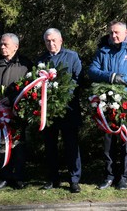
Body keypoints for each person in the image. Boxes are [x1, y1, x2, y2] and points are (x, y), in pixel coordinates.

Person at [88, 21, 127, 190]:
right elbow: (92, 71)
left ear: (126, 33)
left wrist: (123, 79)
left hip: (126, 105)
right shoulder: (103, 51)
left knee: (125, 142)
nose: (114, 36)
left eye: (117, 33)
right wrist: (111, 77)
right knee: (108, 143)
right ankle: (109, 176)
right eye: (112, 33)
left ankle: (124, 177)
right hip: (106, 104)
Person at [0, 33, 33, 190]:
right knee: (0, 143)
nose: (2, 47)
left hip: (17, 110)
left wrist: (12, 99)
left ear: (16, 46)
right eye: (1, 44)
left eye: (5, 44)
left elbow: (30, 87)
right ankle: (3, 176)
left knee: (18, 144)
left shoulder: (25, 65)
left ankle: (18, 177)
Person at [37, 28, 83, 193]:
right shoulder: (41, 60)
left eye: (54, 40)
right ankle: (52, 178)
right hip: (48, 111)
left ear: (61, 40)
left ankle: (74, 180)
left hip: (68, 109)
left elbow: (79, 80)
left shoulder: (72, 56)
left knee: (71, 146)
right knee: (50, 146)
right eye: (48, 41)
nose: (51, 43)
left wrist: (63, 97)